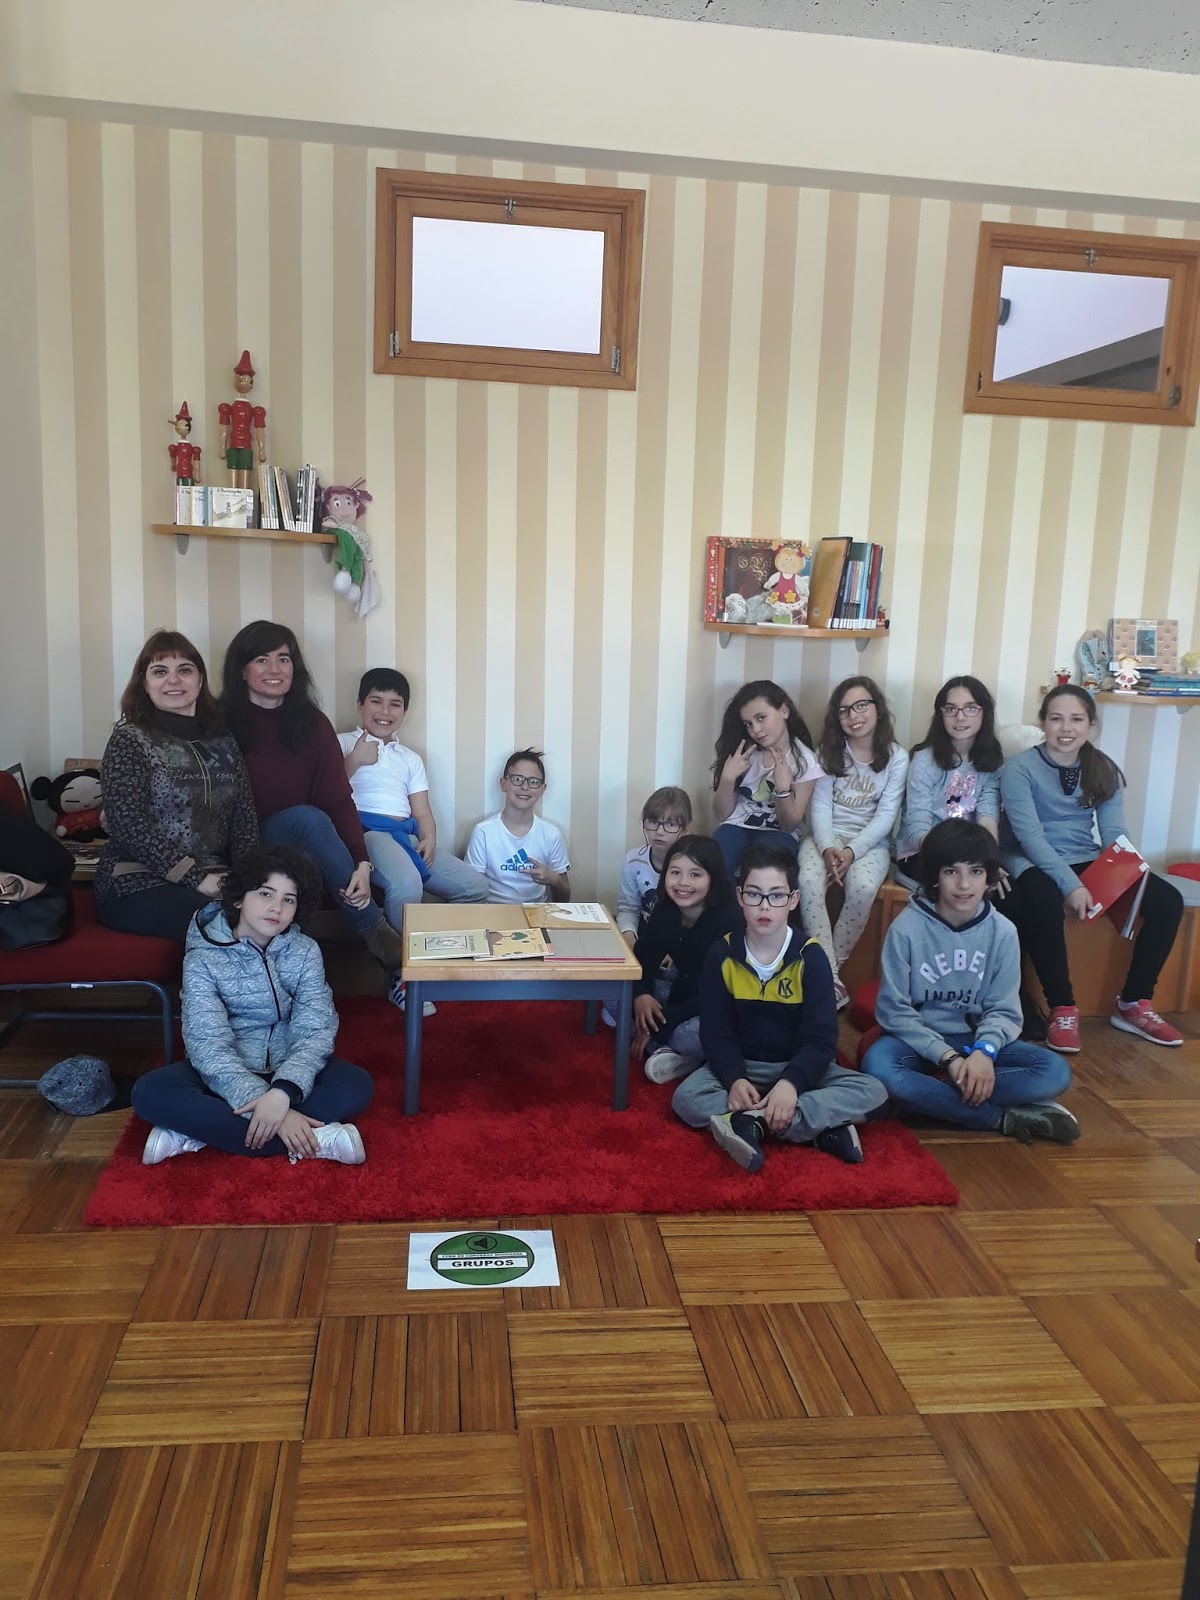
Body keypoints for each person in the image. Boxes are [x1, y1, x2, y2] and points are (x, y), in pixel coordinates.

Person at [132, 846, 374, 1164]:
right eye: (265, 894)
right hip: (226, 1074)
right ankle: (314, 1137)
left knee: (356, 1085)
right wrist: (264, 1101)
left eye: (289, 899)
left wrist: (283, 1091)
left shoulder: (305, 951)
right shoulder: (202, 958)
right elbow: (207, 1044)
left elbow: (316, 1029)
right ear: (238, 899)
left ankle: (196, 1133)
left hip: (288, 1068)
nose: (277, 907)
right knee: (150, 1092)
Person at [672, 844, 887, 1172]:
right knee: (685, 1099)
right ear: (740, 896)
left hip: (797, 1066)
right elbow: (716, 1033)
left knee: (873, 1091)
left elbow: (820, 1040)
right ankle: (819, 1126)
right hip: (744, 1065)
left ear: (793, 900)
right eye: (754, 894)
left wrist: (791, 1084)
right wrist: (734, 1078)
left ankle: (753, 1123)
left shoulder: (811, 958)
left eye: (776, 896)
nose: (764, 906)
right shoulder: (722, 955)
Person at [863, 820, 1079, 1143]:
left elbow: (1004, 1010)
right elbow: (894, 1011)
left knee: (1055, 1072)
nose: (964, 884)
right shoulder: (905, 930)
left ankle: (926, 1099)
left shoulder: (1003, 932)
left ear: (989, 876)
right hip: (917, 1043)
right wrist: (948, 1059)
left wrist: (984, 1052)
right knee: (878, 1067)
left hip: (975, 1040)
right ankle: (999, 1118)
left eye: (976, 872)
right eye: (951, 871)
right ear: (934, 875)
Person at [999, 685, 1183, 1053]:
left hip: (1082, 854)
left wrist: (1129, 873)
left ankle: (1133, 1003)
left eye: (1076, 719)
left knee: (1167, 901)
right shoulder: (1019, 769)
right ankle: (1062, 1008)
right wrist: (1072, 885)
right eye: (1056, 719)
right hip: (1027, 856)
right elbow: (1031, 837)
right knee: (1042, 899)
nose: (1066, 728)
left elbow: (1114, 833)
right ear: (1042, 724)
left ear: (1091, 726)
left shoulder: (1103, 767)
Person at [220, 621, 404, 972]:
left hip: (299, 845)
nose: (275, 669)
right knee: (306, 819)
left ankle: (294, 974)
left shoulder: (314, 724)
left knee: (306, 844)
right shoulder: (219, 722)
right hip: (242, 842)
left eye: (283, 659)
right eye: (262, 660)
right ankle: (374, 930)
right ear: (242, 670)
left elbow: (337, 798)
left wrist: (362, 863)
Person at [95, 630, 259, 942]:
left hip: (216, 877)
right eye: (160, 672)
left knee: (273, 911)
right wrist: (197, 879)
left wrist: (247, 882)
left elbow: (244, 820)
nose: (173, 680)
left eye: (184, 670)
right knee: (224, 922)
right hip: (137, 881)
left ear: (200, 680)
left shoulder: (224, 741)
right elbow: (127, 823)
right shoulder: (129, 739)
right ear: (145, 684)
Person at [339, 667, 487, 921]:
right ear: (360, 706)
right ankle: (399, 949)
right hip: (366, 833)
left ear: (404, 712)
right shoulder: (341, 742)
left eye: (395, 704)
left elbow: (422, 812)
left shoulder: (410, 758)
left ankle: (435, 943)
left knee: (475, 887)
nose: (385, 711)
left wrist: (429, 838)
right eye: (376, 701)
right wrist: (354, 759)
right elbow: (322, 793)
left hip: (405, 837)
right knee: (407, 885)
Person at [796, 676, 908, 1009]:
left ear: (877, 708)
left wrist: (852, 851)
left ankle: (827, 971)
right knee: (807, 880)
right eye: (844, 710)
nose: (853, 715)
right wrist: (829, 847)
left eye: (861, 706)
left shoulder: (897, 757)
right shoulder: (828, 753)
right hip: (824, 837)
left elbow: (886, 816)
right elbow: (819, 807)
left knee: (862, 886)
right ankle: (829, 978)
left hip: (869, 843)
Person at [632, 835, 740, 1084]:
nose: (683, 883)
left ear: (713, 878)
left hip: (720, 1006)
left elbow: (715, 994)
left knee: (690, 1036)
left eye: (695, 874)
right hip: (681, 990)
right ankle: (675, 1055)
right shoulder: (666, 909)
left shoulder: (729, 920)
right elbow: (642, 959)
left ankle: (672, 1050)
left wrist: (658, 1024)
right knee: (615, 998)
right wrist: (641, 996)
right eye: (675, 872)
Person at [896, 675, 1004, 888]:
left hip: (970, 856)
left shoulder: (992, 762)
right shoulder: (925, 760)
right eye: (950, 709)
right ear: (941, 714)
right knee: (963, 887)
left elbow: (987, 819)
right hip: (922, 853)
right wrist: (960, 866)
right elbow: (917, 825)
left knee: (1006, 892)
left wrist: (989, 863)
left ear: (984, 712)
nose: (960, 717)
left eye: (971, 708)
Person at [710, 679, 820, 879]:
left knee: (768, 870)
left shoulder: (805, 761)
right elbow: (721, 814)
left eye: (761, 718)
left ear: (784, 711)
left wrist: (783, 790)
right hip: (736, 825)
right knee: (713, 862)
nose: (756, 730)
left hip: (778, 832)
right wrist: (727, 778)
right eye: (748, 724)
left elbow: (789, 825)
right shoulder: (745, 752)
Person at [466, 749, 570, 903]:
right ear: (503, 784)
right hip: (492, 912)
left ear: (542, 789)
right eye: (517, 779)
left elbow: (565, 897)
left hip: (535, 913)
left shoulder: (551, 834)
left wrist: (553, 879)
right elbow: (471, 892)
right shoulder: (483, 832)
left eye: (533, 782)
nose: (525, 787)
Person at [616, 785, 693, 945]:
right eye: (652, 822)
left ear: (685, 830)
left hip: (683, 940)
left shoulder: (695, 864)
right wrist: (629, 938)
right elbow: (628, 909)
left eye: (670, 824)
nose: (659, 831)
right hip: (646, 937)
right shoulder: (633, 860)